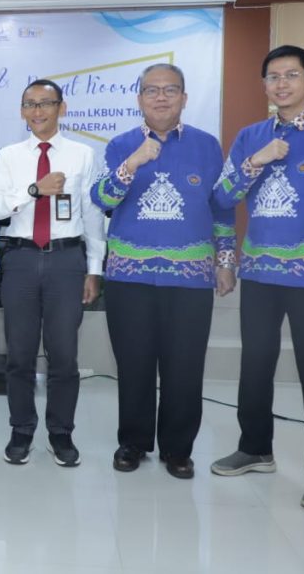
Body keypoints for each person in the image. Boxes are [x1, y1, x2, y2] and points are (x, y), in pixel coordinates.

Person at [210, 45, 304, 511]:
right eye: (273, 77)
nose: (281, 84)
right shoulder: (250, 136)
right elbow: (221, 198)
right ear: (264, 85)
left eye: (291, 75)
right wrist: (255, 160)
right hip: (258, 271)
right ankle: (256, 448)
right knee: (255, 363)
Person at [91, 63, 237, 479]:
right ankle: (133, 442)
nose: (160, 97)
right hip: (129, 277)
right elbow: (102, 198)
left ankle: (178, 449)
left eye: (170, 90)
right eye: (151, 90)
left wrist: (226, 262)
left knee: (184, 366)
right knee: (133, 363)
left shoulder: (207, 146)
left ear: (184, 98)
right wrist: (133, 162)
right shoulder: (121, 144)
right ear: (139, 98)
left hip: (189, 278)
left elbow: (222, 208)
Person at [0, 79, 106, 467]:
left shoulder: (83, 155)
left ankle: (61, 433)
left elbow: (92, 216)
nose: (37, 111)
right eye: (30, 104)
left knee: (64, 355)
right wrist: (34, 191)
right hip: (20, 259)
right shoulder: (8, 156)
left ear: (61, 108)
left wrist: (94, 269)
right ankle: (21, 430)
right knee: (19, 355)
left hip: (66, 261)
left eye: (45, 103)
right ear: (22, 111)